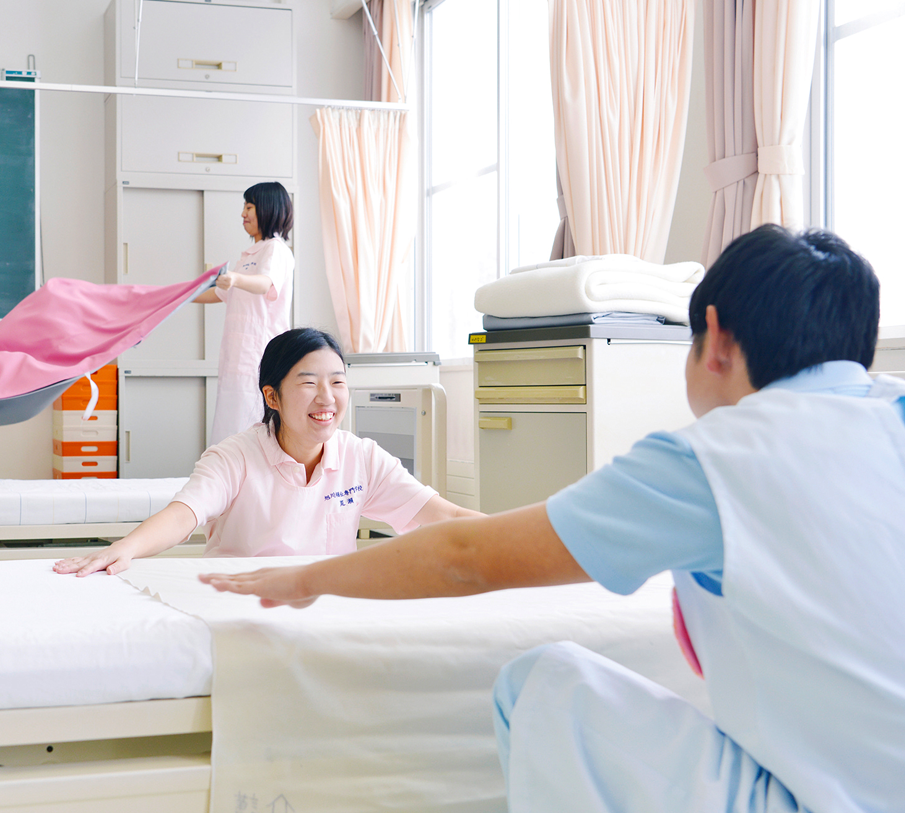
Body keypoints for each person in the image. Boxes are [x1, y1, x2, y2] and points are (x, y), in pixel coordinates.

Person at [201, 225, 905, 813]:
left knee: (544, 681)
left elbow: (465, 555)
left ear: (714, 337)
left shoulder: (713, 458)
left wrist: (309, 580)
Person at [54, 327, 478, 577]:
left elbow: (443, 514)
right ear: (272, 396)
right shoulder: (234, 457)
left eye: (337, 382)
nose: (327, 397)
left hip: (325, 607)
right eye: (309, 383)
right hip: (244, 603)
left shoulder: (361, 457)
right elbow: (184, 514)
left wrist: (512, 534)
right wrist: (126, 547)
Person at [197, 181, 296, 444]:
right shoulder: (248, 256)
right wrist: (181, 297)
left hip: (259, 355)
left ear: (267, 208)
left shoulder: (275, 249)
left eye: (249, 207)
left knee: (250, 428)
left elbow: (265, 283)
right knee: (231, 427)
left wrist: (235, 279)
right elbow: (219, 294)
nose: (243, 214)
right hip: (236, 358)